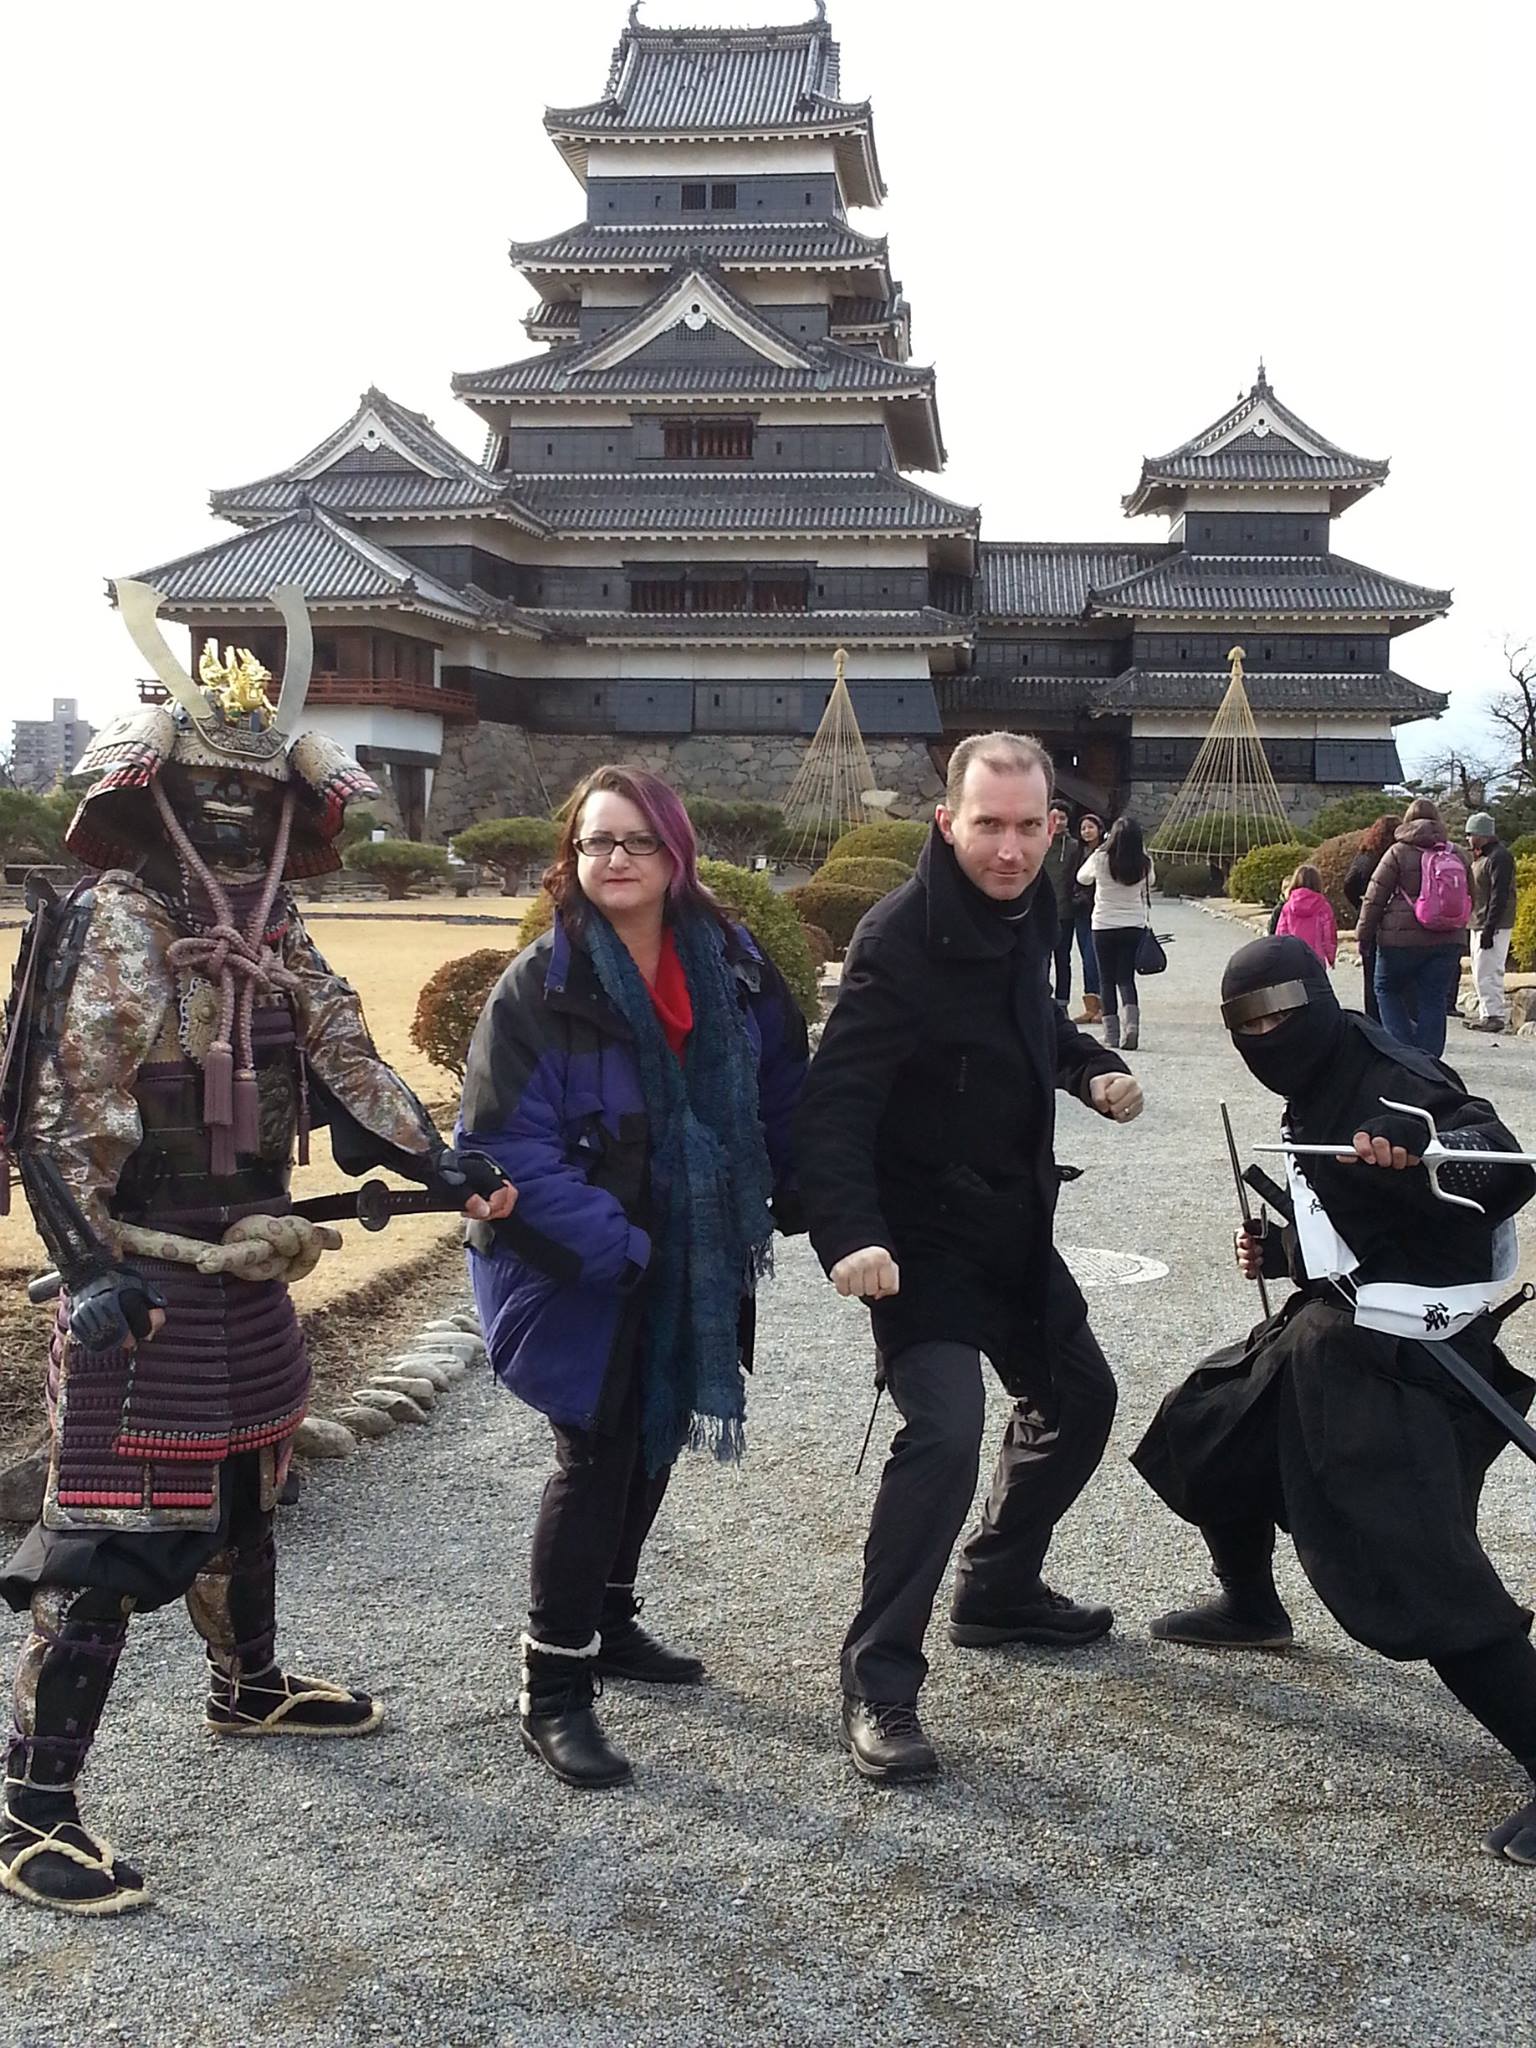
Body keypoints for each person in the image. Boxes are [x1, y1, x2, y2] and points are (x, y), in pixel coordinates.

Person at [0, 585, 514, 1919]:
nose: (235, 818)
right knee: (107, 1537)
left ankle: (248, 1684)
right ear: (149, 789)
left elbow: (343, 1047)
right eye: (209, 792)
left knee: (245, 1488)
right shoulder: (115, 922)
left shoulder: (276, 930)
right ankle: (31, 1807)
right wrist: (90, 1267)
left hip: (253, 1259)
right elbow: (55, 1112)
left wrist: (437, 1159)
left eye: (259, 797)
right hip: (142, 1275)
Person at [1132, 936, 1536, 1870]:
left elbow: (1502, 1160)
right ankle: (1252, 1607)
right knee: (1206, 1425)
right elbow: (1361, 1223)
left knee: (1412, 1564)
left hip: (1406, 1354)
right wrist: (1283, 1255)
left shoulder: (1393, 1079)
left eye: (1282, 1011)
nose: (1268, 1033)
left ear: (1319, 998)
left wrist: (1429, 1153)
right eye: (1248, 1022)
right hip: (1334, 1324)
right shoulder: (1321, 1071)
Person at [794, 730, 1144, 1782]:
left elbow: (1030, 1021)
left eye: (1029, 827)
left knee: (1080, 1398)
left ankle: (996, 1586)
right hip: (918, 1240)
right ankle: (879, 1679)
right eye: (988, 824)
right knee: (946, 1434)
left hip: (1012, 1223)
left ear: (1055, 827)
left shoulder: (1030, 909)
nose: (1009, 848)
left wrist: (1088, 1067)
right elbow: (836, 1101)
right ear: (947, 821)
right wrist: (850, 1233)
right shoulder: (897, 936)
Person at [458, 767, 807, 1790]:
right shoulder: (542, 984)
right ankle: (554, 1689)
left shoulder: (733, 963)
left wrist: (811, 1195)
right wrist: (629, 1250)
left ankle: (608, 1620)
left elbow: (785, 1091)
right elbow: (507, 1148)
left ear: (676, 851)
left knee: (653, 1433)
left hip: (695, 1251)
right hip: (576, 1262)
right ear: (571, 856)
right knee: (597, 1452)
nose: (614, 858)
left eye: (637, 840)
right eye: (595, 841)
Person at [1354, 798, 1470, 1057]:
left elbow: (1375, 897)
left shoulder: (1397, 852)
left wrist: (1363, 935)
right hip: (1447, 939)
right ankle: (1429, 1059)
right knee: (1434, 998)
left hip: (1399, 940)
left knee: (1386, 989)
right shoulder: (1457, 853)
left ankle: (1404, 1052)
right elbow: (1471, 894)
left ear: (1407, 821)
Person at [1078, 815, 1155, 1050]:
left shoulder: (1100, 858)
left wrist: (1101, 848)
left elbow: (1082, 878)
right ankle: (1132, 1027)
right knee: (1126, 978)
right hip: (1133, 924)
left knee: (1106, 979)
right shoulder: (1144, 862)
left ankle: (1111, 1035)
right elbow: (1151, 882)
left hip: (1104, 924)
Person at [1343, 814, 1401, 1022]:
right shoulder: (1400, 855)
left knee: (1371, 976)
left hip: (1371, 920)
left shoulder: (1366, 855)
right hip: (1397, 921)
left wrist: (1361, 905)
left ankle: (1373, 1021)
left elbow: (1349, 883)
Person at [1463, 811, 1517, 1034]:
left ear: (1481, 835)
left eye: (1470, 834)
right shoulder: (1484, 857)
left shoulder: (1499, 857)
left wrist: (1489, 927)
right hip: (1481, 921)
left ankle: (1494, 1015)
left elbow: (1499, 894)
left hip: (1493, 923)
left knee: (1489, 970)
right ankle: (1487, 1013)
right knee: (1480, 970)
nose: (1467, 838)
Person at [1042, 801, 1081, 1010]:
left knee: (1063, 958)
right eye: (1054, 818)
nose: (1058, 822)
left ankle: (1062, 1002)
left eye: (1062, 818)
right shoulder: (1038, 843)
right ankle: (1041, 999)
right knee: (1041, 958)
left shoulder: (1074, 846)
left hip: (1065, 911)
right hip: (1041, 911)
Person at [1069, 812, 1105, 1025]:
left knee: (1096, 958)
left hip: (1100, 910)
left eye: (1090, 827)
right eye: (1083, 828)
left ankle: (1104, 1006)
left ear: (1099, 829)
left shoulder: (1105, 852)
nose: (1086, 831)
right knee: (1085, 957)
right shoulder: (1077, 851)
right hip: (1081, 910)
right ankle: (1090, 1007)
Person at [1273, 863, 1337, 966]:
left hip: (1292, 956)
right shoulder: (1323, 907)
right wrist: (1331, 957)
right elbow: (1328, 935)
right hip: (1316, 957)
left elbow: (1281, 933)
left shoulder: (1288, 907)